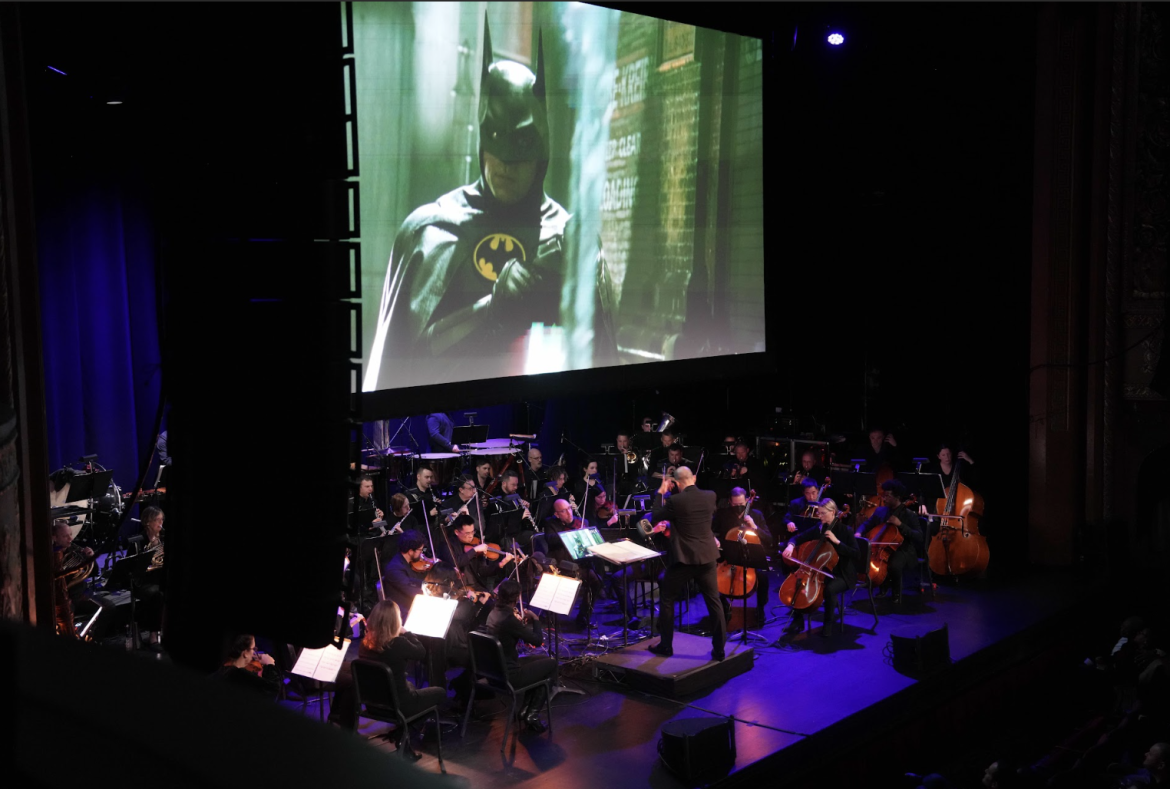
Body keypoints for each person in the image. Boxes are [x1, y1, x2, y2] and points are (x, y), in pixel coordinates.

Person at [362, 23, 614, 391]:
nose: (506, 165)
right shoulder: (431, 233)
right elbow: (402, 365)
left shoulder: (571, 244)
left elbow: (600, 367)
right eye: (496, 146)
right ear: (482, 143)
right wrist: (490, 311)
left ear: (541, 152)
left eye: (520, 151)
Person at [646, 467, 726, 661]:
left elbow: (655, 516)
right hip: (707, 557)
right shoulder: (710, 496)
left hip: (685, 560)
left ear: (677, 484)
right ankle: (719, 650)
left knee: (667, 598)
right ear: (694, 478)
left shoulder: (676, 501)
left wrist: (661, 492)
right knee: (714, 601)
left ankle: (666, 645)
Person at [359, 600, 448, 760]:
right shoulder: (398, 643)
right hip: (399, 707)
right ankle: (404, 733)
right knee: (440, 693)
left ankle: (403, 734)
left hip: (373, 705)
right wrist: (407, 633)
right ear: (395, 621)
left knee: (409, 684)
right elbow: (421, 652)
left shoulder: (364, 644)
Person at [485, 578, 557, 733]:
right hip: (509, 676)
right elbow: (537, 641)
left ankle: (525, 711)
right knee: (551, 664)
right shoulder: (509, 619)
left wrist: (518, 625)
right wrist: (535, 620)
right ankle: (532, 715)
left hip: (494, 672)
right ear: (516, 598)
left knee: (542, 661)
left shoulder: (493, 613)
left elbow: (507, 634)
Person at [781, 499, 859, 637]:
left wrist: (837, 542)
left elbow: (856, 554)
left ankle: (828, 624)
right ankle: (797, 620)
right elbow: (798, 538)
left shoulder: (845, 530)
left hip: (842, 573)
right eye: (819, 513)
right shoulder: (819, 528)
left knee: (829, 589)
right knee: (800, 583)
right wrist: (791, 545)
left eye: (823, 513)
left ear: (833, 512)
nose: (819, 516)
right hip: (822, 571)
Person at [854, 479, 922, 603]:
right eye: (883, 495)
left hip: (903, 549)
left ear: (897, 497)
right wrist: (859, 532)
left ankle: (896, 593)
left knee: (894, 565)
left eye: (887, 496)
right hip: (881, 547)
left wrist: (900, 524)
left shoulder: (909, 515)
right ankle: (882, 587)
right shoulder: (880, 511)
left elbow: (919, 536)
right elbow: (867, 524)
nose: (883, 499)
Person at [715, 487, 773, 626]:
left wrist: (754, 527)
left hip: (750, 559)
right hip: (728, 558)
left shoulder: (756, 515)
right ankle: (724, 606)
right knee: (710, 576)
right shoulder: (722, 514)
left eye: (741, 504)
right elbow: (708, 529)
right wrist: (713, 538)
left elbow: (769, 540)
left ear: (747, 500)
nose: (738, 507)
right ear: (730, 502)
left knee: (763, 577)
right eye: (735, 504)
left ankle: (760, 609)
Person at [51, 520, 112, 640]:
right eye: (65, 536)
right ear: (55, 538)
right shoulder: (50, 555)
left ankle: (95, 639)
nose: (70, 539)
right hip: (65, 598)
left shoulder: (75, 550)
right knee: (65, 618)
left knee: (108, 607)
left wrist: (91, 558)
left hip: (81, 594)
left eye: (70, 534)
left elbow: (94, 572)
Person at [438, 514, 514, 592]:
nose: (471, 536)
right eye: (467, 533)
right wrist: (474, 550)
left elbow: (483, 571)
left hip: (476, 587)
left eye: (472, 532)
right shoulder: (447, 544)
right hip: (457, 588)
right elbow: (456, 562)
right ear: (457, 532)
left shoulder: (476, 543)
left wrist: (501, 564)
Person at [212, 634, 282, 701]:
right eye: (253, 648)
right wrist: (270, 664)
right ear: (245, 653)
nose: (254, 652)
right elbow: (273, 689)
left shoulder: (222, 670)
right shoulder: (239, 676)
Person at [382, 530, 431, 615]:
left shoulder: (407, 562)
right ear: (410, 551)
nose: (421, 553)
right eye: (420, 550)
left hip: (414, 605)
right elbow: (412, 591)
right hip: (404, 612)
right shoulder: (394, 569)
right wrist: (434, 592)